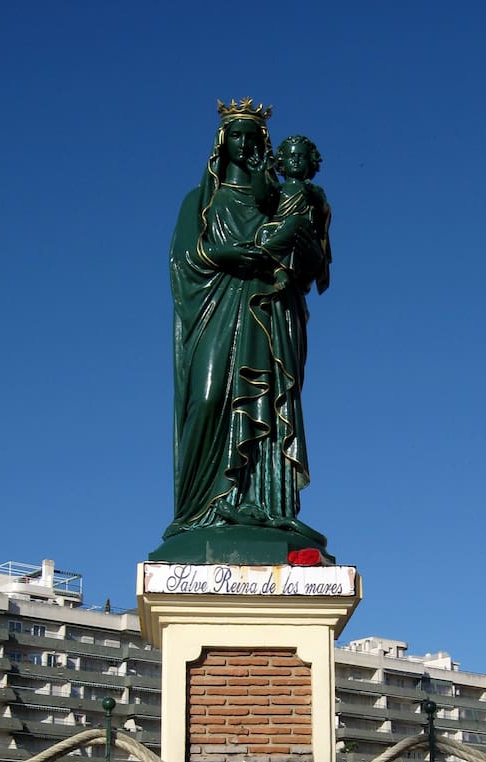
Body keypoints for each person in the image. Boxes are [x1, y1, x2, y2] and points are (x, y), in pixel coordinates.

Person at [163, 99, 327, 547]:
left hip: (267, 310)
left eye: (251, 135)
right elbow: (182, 259)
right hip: (216, 307)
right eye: (235, 134)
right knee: (210, 395)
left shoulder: (276, 200)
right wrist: (227, 254)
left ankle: (263, 505)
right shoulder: (200, 201)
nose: (243, 142)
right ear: (222, 143)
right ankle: (201, 507)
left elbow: (308, 259)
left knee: (269, 405)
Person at [258, 134, 331, 296]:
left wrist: (313, 195)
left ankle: (263, 253)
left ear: (310, 161)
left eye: (301, 156)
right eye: (291, 156)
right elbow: (261, 197)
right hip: (283, 238)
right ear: (281, 161)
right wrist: (258, 173)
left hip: (306, 242)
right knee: (264, 232)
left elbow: (324, 210)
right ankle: (280, 270)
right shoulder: (278, 189)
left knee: (296, 222)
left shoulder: (314, 191)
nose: (296, 160)